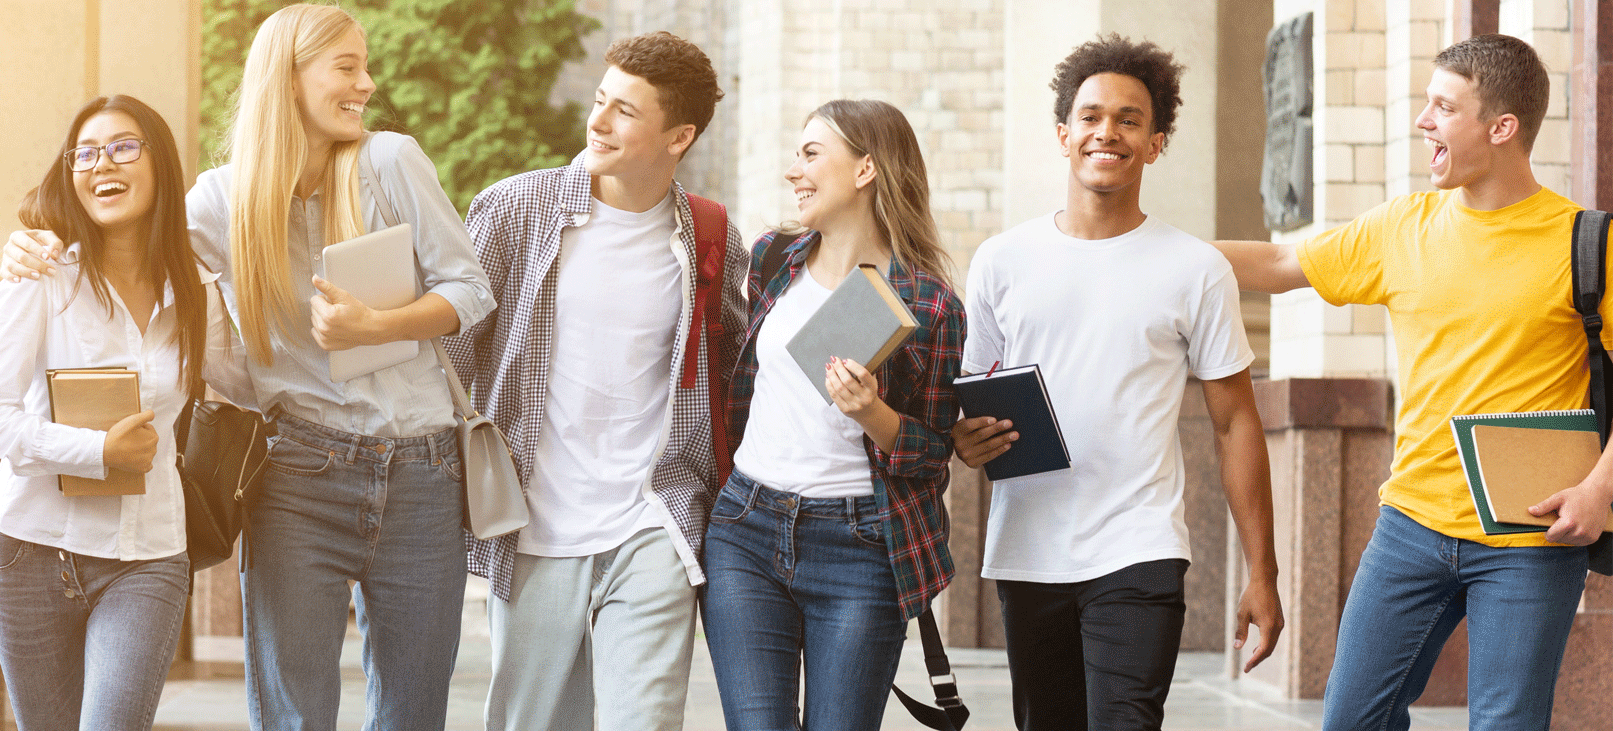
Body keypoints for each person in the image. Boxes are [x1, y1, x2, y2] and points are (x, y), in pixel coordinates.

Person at [0, 5, 496, 730]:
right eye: (347, 67)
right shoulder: (219, 200)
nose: (367, 83)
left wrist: (380, 324)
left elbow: (470, 289)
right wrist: (31, 239)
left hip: (425, 470)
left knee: (413, 710)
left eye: (364, 66)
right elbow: (126, 234)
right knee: (293, 712)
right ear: (287, 79)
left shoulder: (392, 162)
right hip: (298, 473)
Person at [1212, 33, 1607, 730]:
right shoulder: (1403, 227)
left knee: (1505, 724)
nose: (1423, 120)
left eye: (1442, 107)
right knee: (1352, 718)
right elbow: (1279, 262)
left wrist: (1599, 488)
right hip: (1411, 525)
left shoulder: (1586, 242)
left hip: (1531, 536)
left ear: (1502, 127)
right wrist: (1142, 246)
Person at [949, 34, 1282, 731]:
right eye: (1093, 116)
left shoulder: (1196, 269)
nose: (1109, 132)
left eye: (1130, 119)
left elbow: (1235, 423)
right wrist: (969, 441)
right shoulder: (1001, 260)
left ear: (1156, 142)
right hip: (1029, 545)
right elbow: (973, 398)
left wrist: (1264, 572)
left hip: (1141, 546)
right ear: (1064, 133)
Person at [440, 31, 744, 731]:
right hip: (534, 525)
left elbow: (737, 373)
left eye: (625, 112)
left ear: (680, 135)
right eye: (601, 101)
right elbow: (448, 356)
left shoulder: (709, 236)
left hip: (652, 520)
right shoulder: (515, 211)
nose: (598, 122)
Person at [0, 94, 251, 731]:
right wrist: (95, 454)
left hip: (148, 556)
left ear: (160, 167)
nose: (101, 164)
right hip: (30, 551)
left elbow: (252, 384)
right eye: (85, 153)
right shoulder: (39, 278)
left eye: (123, 146)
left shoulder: (198, 291)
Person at [697, 98, 964, 731]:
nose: (794, 170)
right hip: (746, 530)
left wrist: (874, 413)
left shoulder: (928, 303)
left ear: (867, 168)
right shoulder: (772, 259)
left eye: (812, 154)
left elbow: (934, 452)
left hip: (860, 547)